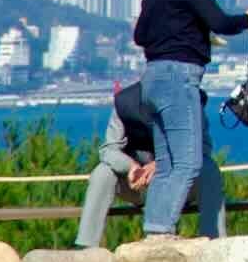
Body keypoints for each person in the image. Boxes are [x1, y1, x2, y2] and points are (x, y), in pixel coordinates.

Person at [130, 0, 248, 237]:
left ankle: (153, 232)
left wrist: (189, 33)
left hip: (152, 79)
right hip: (178, 79)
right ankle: (162, 230)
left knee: (167, 164)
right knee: (189, 162)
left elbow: (141, 35)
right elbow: (220, 21)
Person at [76, 79, 225, 247]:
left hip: (180, 186)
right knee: (102, 173)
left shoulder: (191, 100)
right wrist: (131, 167)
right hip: (137, 184)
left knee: (209, 168)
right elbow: (108, 150)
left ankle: (215, 242)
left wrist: (160, 165)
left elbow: (203, 147)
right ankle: (87, 246)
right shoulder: (125, 102)